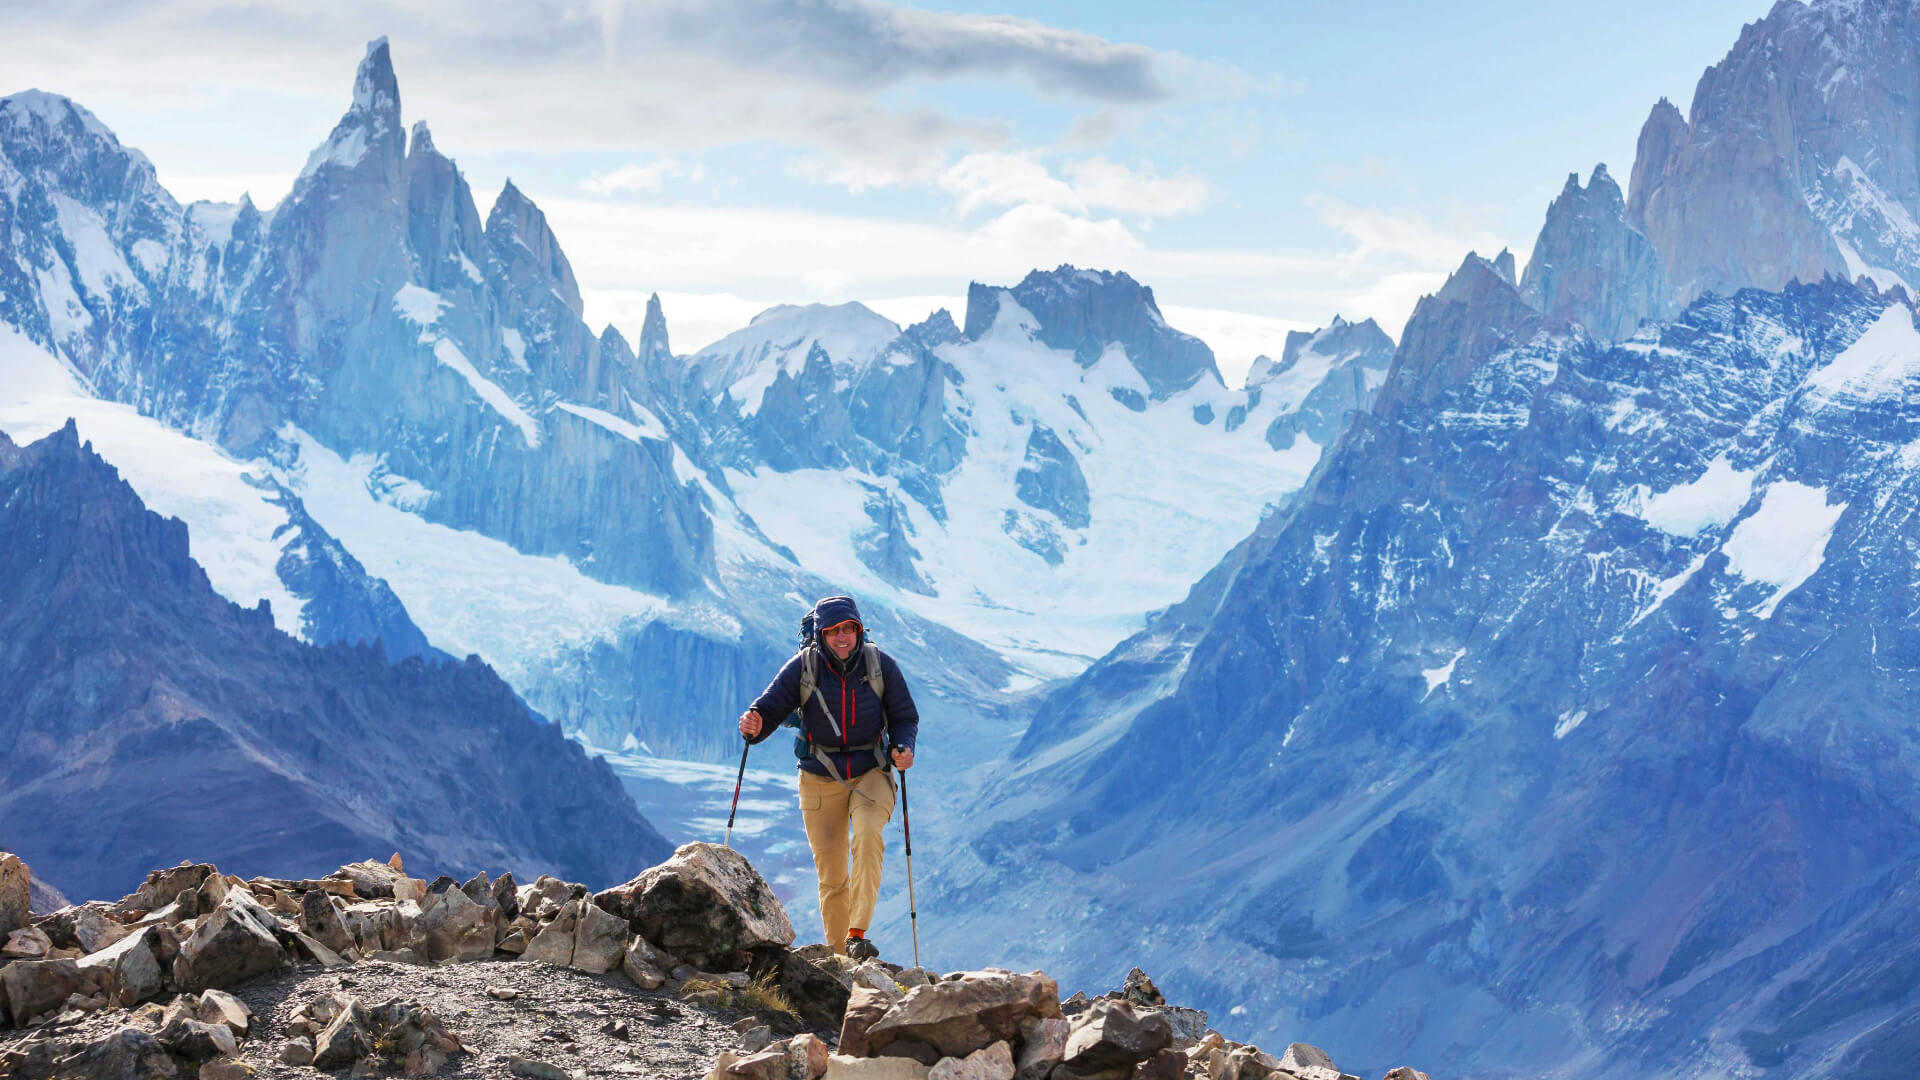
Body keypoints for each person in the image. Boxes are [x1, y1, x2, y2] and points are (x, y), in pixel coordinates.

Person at [738, 595, 917, 960]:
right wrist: (753, 724)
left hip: (872, 771)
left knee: (868, 835)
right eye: (833, 631)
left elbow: (905, 716)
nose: (842, 637)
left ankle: (856, 933)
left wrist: (902, 745)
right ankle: (842, 964)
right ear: (820, 634)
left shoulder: (880, 665)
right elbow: (769, 708)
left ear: (859, 630)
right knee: (832, 877)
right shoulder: (802, 667)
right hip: (819, 778)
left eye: (848, 629)